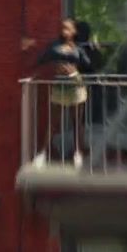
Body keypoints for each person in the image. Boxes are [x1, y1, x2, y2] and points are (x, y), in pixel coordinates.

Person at [33, 18, 93, 166]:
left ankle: (78, 153)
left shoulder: (78, 48)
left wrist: (77, 66)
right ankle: (42, 154)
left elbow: (89, 65)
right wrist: (54, 62)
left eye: (68, 28)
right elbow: (42, 58)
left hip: (76, 85)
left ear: (74, 31)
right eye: (62, 28)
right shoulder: (55, 45)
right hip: (60, 87)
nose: (64, 31)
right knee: (53, 122)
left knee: (76, 122)